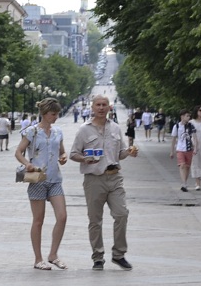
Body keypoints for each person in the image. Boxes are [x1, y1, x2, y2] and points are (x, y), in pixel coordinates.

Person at [70, 94, 139, 271]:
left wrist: (129, 152)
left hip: (115, 177)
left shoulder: (115, 128)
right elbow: (73, 154)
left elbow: (120, 153)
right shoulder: (84, 130)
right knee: (95, 220)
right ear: (92, 107)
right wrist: (84, 159)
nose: (101, 108)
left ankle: (119, 254)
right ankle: (98, 257)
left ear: (109, 107)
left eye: (104, 105)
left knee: (121, 214)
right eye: (98, 105)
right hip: (94, 179)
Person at [14, 97, 68, 270]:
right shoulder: (32, 131)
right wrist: (27, 164)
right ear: (44, 113)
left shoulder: (58, 132)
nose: (56, 117)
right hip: (37, 179)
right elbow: (18, 152)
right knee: (38, 220)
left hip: (55, 179)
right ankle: (38, 259)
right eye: (53, 114)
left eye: (57, 114)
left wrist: (63, 157)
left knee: (62, 216)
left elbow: (62, 152)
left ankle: (53, 255)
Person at [170, 108, 196, 192]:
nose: (189, 117)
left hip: (189, 149)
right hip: (180, 149)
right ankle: (184, 183)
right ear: (182, 116)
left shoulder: (191, 126)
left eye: (189, 116)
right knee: (182, 165)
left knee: (187, 167)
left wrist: (195, 148)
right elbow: (173, 139)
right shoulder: (176, 126)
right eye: (187, 116)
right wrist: (172, 151)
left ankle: (185, 182)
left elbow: (195, 137)